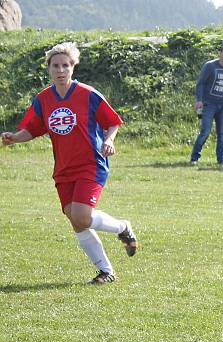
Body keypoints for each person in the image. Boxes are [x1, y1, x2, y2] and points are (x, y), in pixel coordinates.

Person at [1, 42, 137, 284]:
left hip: (91, 164)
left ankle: (122, 227)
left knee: (82, 217)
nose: (60, 70)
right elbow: (32, 129)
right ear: (49, 69)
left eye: (65, 65)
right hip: (63, 168)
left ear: (73, 67)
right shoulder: (43, 99)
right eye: (56, 65)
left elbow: (112, 121)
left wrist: (109, 140)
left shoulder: (88, 94)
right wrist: (14, 138)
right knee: (75, 220)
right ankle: (106, 271)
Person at [191, 44, 223, 165]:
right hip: (208, 104)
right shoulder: (210, 66)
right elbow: (200, 83)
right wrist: (199, 100)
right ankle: (195, 157)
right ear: (220, 53)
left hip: (222, 105)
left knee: (222, 133)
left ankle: (221, 159)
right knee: (205, 131)